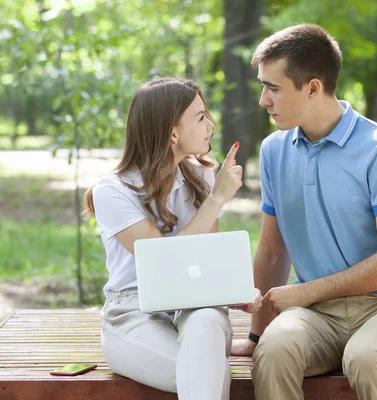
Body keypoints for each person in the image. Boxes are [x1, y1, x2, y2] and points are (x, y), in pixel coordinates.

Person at [230, 24, 377, 400]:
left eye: (273, 88)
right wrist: (256, 336)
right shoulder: (274, 151)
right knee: (273, 353)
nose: (263, 100)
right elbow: (273, 252)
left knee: (366, 359)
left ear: (313, 88)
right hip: (315, 316)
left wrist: (307, 291)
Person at [83, 77, 262, 400]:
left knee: (206, 321)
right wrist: (216, 201)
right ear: (172, 132)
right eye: (200, 116)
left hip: (195, 309)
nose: (212, 124)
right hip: (134, 313)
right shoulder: (112, 191)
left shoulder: (203, 178)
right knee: (208, 371)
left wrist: (235, 292)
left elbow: (201, 266)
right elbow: (163, 265)